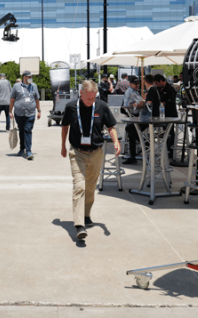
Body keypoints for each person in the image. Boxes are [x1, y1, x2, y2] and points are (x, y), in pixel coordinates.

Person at [61, 80, 120, 240]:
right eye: (88, 98)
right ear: (81, 93)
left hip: (96, 152)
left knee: (90, 188)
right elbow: (65, 126)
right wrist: (63, 146)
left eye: (93, 98)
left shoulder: (101, 106)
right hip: (77, 152)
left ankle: (86, 215)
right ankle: (79, 225)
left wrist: (115, 141)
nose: (90, 101)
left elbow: (111, 126)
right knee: (79, 186)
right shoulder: (71, 107)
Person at [9, 70, 41, 160]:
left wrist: (39, 110)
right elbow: (12, 99)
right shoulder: (16, 86)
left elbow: (37, 99)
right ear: (24, 77)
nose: (31, 78)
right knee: (22, 131)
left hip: (31, 113)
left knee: (28, 130)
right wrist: (10, 111)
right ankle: (21, 148)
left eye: (31, 77)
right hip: (19, 113)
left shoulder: (34, 86)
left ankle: (28, 150)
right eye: (29, 77)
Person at [154, 74, 178, 159]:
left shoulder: (170, 88)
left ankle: (170, 151)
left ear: (161, 81)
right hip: (162, 115)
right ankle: (165, 149)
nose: (156, 85)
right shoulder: (158, 89)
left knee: (170, 132)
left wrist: (161, 103)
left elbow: (170, 102)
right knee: (165, 133)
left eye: (157, 83)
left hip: (170, 114)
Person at [123, 77, 143, 165]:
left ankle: (133, 156)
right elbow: (126, 105)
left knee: (132, 135)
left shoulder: (135, 91)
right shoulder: (129, 92)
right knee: (131, 133)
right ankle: (145, 144)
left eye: (138, 83)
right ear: (130, 84)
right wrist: (136, 105)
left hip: (138, 116)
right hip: (133, 116)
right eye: (135, 84)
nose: (137, 85)